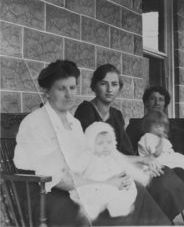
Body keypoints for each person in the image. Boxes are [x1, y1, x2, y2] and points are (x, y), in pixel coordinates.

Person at [13, 60, 170, 226]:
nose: (69, 95)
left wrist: (124, 170)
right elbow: (57, 179)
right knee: (106, 208)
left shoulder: (73, 124)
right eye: (61, 88)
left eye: (72, 88)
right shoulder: (36, 123)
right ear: (46, 92)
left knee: (135, 191)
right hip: (46, 194)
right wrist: (104, 183)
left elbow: (90, 159)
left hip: (76, 186)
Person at [74, 65, 184, 221]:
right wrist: (139, 162)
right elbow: (92, 154)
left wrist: (145, 162)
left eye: (115, 84)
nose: (109, 89)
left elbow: (126, 151)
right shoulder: (86, 111)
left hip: (120, 165)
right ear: (94, 86)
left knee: (164, 175)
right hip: (100, 172)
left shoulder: (116, 115)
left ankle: (158, 220)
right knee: (153, 183)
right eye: (104, 83)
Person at [70, 122, 150, 221]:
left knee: (126, 189)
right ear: (90, 143)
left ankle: (118, 208)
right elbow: (76, 168)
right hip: (96, 184)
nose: (105, 146)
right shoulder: (88, 157)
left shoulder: (113, 155)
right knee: (93, 195)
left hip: (116, 184)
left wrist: (142, 177)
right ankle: (94, 209)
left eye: (109, 142)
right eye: (100, 143)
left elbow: (127, 166)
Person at [138, 109, 184, 178]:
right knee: (177, 159)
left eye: (160, 125)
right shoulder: (147, 137)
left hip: (163, 158)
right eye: (154, 125)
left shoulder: (162, 138)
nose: (157, 128)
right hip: (152, 161)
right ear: (147, 126)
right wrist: (161, 140)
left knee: (180, 157)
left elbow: (170, 151)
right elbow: (156, 154)